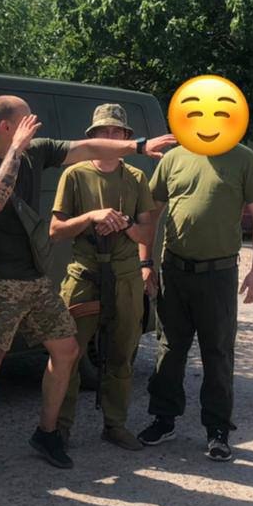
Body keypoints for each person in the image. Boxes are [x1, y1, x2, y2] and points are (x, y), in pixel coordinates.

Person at [0, 96, 176, 476]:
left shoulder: (37, 152)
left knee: (67, 350)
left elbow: (87, 148)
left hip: (36, 278)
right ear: (7, 128)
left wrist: (139, 147)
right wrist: (15, 152)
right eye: (27, 122)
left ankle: (47, 433)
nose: (35, 127)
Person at [136, 138, 253, 461]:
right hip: (175, 271)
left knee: (218, 353)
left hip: (219, 274)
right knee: (169, 349)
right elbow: (150, 213)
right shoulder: (174, 158)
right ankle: (163, 419)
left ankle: (218, 430)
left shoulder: (244, 158)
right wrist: (146, 262)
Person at [50, 103, 157, 451]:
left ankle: (115, 424)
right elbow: (55, 230)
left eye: (116, 132)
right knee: (68, 355)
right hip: (84, 275)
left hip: (125, 277)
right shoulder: (75, 175)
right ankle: (58, 428)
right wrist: (91, 217)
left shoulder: (136, 178)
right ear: (92, 136)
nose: (110, 137)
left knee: (121, 354)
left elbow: (147, 232)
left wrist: (124, 225)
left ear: (125, 137)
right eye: (103, 132)